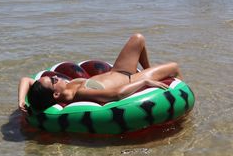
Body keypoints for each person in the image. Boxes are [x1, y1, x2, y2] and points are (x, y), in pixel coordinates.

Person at [18, 34, 183, 113]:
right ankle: (183, 109)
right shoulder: (80, 93)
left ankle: (149, 69)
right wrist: (145, 83)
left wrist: (21, 102)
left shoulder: (64, 88)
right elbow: (117, 95)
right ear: (55, 94)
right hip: (130, 78)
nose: (56, 76)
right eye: (53, 80)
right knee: (174, 67)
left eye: (52, 76)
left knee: (138, 38)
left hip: (117, 71)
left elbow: (26, 80)